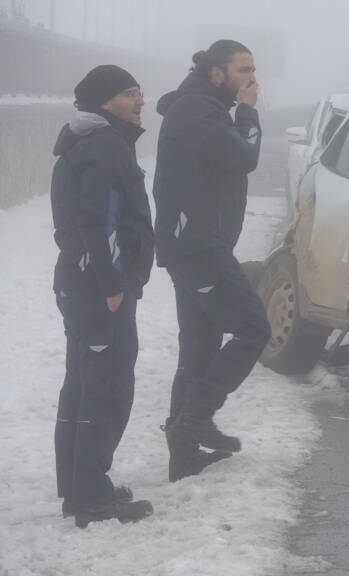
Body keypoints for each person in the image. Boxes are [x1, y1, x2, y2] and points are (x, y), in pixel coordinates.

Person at [153, 40, 270, 482]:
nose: (252, 79)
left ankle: (183, 454)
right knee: (253, 328)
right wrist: (249, 112)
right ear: (217, 73)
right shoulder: (198, 109)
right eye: (244, 69)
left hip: (198, 242)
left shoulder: (203, 107)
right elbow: (245, 156)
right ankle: (196, 417)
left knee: (199, 346)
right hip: (198, 246)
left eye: (254, 69)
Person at [51, 64, 155, 527]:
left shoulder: (87, 144)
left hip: (79, 284)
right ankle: (90, 495)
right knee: (107, 390)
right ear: (105, 101)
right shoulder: (107, 148)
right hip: (98, 289)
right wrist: (113, 286)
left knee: (82, 386)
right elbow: (101, 223)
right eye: (131, 94)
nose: (140, 101)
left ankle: (79, 487)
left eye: (140, 93)